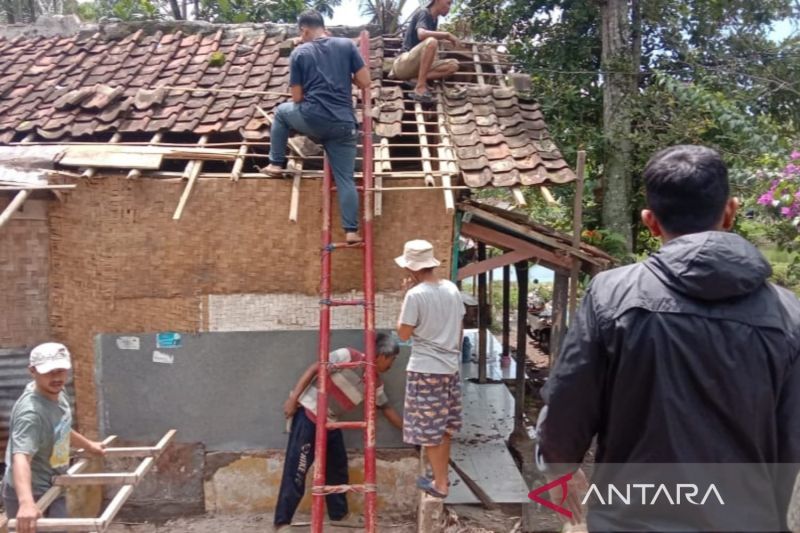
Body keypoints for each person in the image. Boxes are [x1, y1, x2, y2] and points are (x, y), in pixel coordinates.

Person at [535, 145, 800, 531]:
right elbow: (790, 438)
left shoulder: (612, 296)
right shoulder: (787, 314)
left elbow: (569, 403)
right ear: (731, 210)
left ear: (650, 221)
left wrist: (560, 467)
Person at [273, 333, 403, 531]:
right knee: (297, 470)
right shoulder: (348, 355)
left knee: (338, 469)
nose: (392, 364)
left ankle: (339, 516)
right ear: (382, 355)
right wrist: (293, 398)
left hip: (331, 423)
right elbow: (315, 369)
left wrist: (410, 431)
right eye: (392, 359)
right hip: (308, 416)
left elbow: (387, 409)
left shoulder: (375, 383)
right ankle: (282, 522)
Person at [262, 9, 371, 244]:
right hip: (344, 124)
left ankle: (275, 163)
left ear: (304, 30)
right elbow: (365, 82)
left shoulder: (300, 52)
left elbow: (297, 97)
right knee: (345, 179)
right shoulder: (346, 45)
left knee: (281, 112)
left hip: (314, 118)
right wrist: (345, 73)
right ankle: (351, 231)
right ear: (324, 27)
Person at [2, 343, 106, 533]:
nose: (57, 377)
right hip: (29, 491)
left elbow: (60, 428)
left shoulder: (58, 392)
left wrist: (89, 445)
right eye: (49, 372)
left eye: (61, 370)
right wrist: (26, 503)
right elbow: (21, 458)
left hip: (54, 482)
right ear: (33, 371)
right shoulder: (31, 414)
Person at [396, 239, 465, 498]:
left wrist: (405, 297)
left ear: (412, 268)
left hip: (426, 369)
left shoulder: (415, 295)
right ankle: (440, 479)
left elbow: (403, 334)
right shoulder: (451, 289)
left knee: (429, 431)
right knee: (444, 427)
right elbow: (458, 328)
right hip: (450, 367)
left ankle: (440, 484)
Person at [391, 0, 460, 103]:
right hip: (403, 64)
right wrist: (447, 35)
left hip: (415, 68)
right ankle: (420, 88)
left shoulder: (434, 20)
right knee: (432, 41)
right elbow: (421, 34)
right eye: (448, 3)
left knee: (453, 65)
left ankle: (416, 79)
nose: (449, 8)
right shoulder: (423, 12)